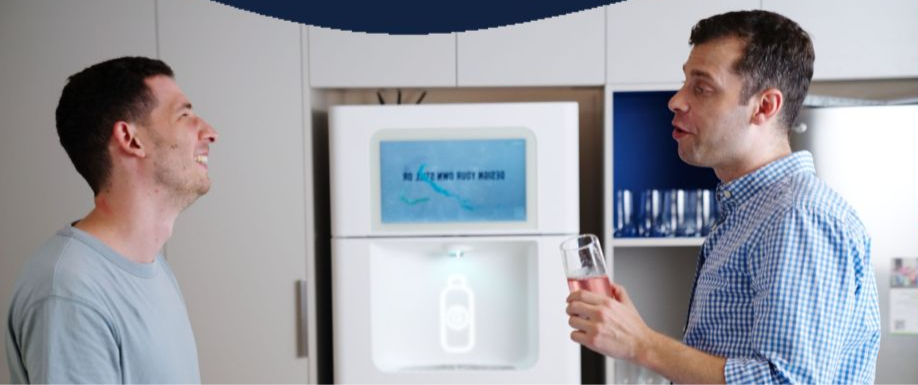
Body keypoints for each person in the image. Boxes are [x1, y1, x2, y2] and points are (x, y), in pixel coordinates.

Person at [566, 10, 880, 384]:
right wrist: (633, 337)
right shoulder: (750, 213)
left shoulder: (799, 216)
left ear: (765, 106)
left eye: (701, 88)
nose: (676, 101)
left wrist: (642, 344)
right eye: (685, 82)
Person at [5, 57, 217, 384]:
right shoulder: (69, 290)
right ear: (130, 139)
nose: (210, 133)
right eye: (184, 114)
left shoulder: (154, 269)